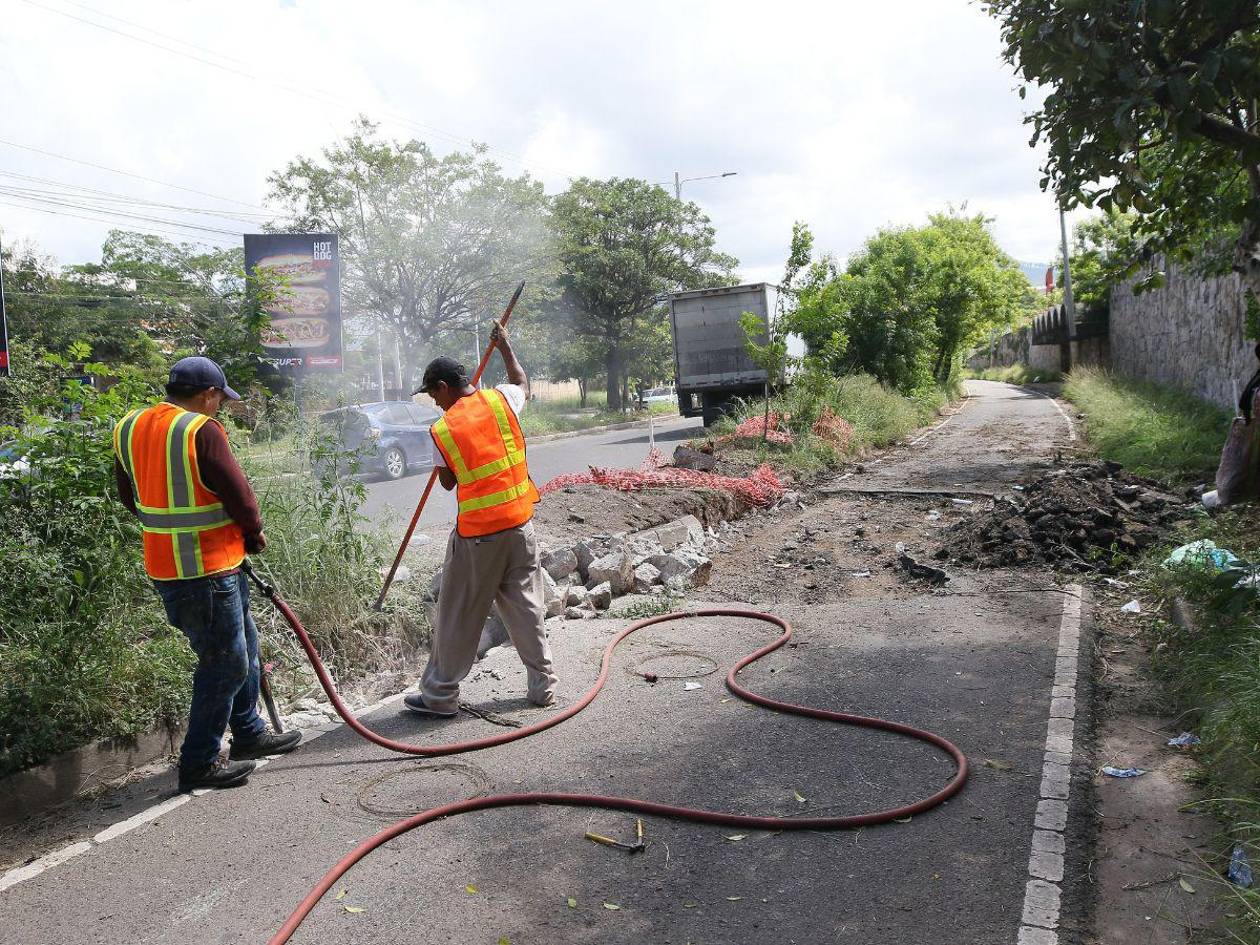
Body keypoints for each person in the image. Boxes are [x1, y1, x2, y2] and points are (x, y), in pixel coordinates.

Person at [113, 357, 300, 791]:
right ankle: (198, 761)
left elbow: (129, 496)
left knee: (244, 648)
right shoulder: (201, 430)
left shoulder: (129, 426)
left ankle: (250, 734)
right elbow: (242, 497)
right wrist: (253, 534)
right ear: (208, 395)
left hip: (173, 566)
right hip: (205, 570)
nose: (219, 408)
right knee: (226, 663)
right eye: (220, 399)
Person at [404, 322, 557, 717]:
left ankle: (439, 696)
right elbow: (521, 380)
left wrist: (450, 454)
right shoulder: (502, 399)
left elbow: (448, 482)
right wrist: (505, 345)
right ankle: (543, 685)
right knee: (524, 606)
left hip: (478, 539)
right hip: (521, 525)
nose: (434, 404)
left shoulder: (442, 430)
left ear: (442, 387)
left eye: (432, 395)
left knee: (458, 613)